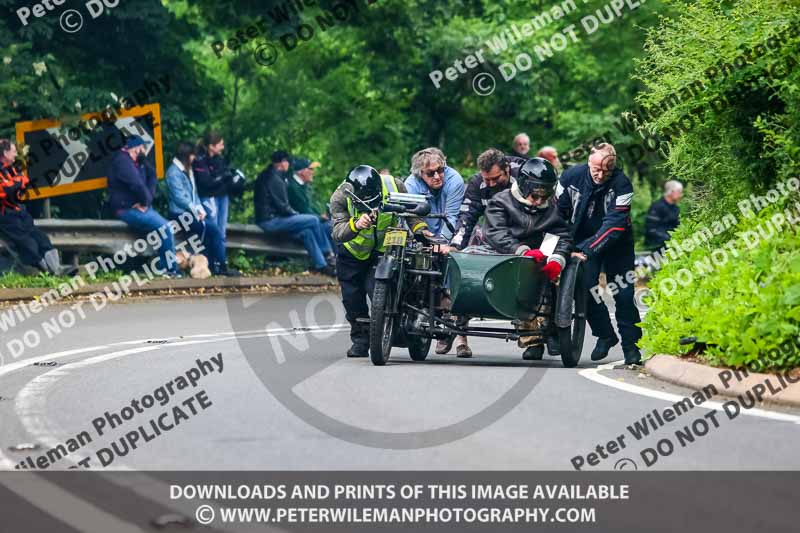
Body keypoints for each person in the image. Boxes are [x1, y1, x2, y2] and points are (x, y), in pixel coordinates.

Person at [330, 165, 430, 358]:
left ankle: (390, 330)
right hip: (352, 253)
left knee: (376, 288)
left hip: (383, 250)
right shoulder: (340, 196)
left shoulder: (395, 185)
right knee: (352, 299)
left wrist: (420, 229)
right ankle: (360, 340)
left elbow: (412, 211)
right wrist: (356, 224)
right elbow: (337, 232)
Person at [556, 143, 642, 365]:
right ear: (589, 162)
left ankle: (632, 349)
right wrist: (563, 244)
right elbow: (557, 213)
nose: (601, 175)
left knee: (623, 294)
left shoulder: (623, 184)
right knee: (586, 290)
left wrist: (587, 249)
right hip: (582, 242)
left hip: (616, 244)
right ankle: (605, 335)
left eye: (606, 170)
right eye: (596, 169)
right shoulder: (569, 177)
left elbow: (614, 225)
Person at [484, 157, 573, 360]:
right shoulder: (500, 201)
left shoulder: (552, 210)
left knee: (547, 277)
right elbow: (496, 233)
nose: (540, 202)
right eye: (535, 196)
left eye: (544, 197)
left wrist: (556, 259)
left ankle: (550, 329)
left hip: (540, 255)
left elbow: (563, 236)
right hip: (505, 256)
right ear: (524, 187)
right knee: (523, 276)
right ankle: (531, 338)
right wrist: (521, 250)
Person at [108, 135, 180, 277]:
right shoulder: (122, 161)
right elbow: (137, 185)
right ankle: (168, 268)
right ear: (135, 147)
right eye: (142, 146)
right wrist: (145, 202)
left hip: (140, 206)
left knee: (164, 228)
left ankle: (161, 266)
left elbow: (152, 176)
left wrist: (146, 202)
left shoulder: (138, 161)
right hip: (125, 209)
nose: (144, 149)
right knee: (165, 227)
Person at [255, 150, 335, 276]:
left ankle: (323, 266)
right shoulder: (274, 178)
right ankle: (328, 254)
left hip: (273, 219)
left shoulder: (271, 175)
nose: (289, 165)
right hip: (271, 221)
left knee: (306, 232)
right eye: (287, 162)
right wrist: (296, 215)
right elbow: (283, 207)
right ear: (282, 163)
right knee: (313, 220)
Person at [166, 142, 239, 276]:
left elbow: (194, 194)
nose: (194, 158)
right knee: (212, 231)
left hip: (191, 212)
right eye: (193, 155)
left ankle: (213, 265)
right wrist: (195, 211)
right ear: (187, 156)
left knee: (212, 231)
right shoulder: (173, 172)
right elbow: (179, 198)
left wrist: (200, 208)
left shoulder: (188, 170)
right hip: (179, 214)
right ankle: (220, 266)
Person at [0, 139, 72, 274]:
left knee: (42, 239)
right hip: (6, 216)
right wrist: (17, 182)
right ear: (5, 153)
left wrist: (17, 182)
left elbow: (23, 184)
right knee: (29, 244)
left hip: (19, 213)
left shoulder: (12, 169)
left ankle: (57, 269)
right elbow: (6, 189)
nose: (16, 155)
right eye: (13, 151)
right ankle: (46, 271)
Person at [451, 148, 527, 250]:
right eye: (487, 179)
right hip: (496, 237)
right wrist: (456, 246)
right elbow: (467, 216)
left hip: (526, 234)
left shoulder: (524, 174)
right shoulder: (477, 183)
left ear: (507, 169)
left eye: (496, 178)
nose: (491, 184)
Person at [403, 147, 465, 240]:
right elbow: (411, 218)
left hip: (450, 234)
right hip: (423, 233)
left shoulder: (455, 180)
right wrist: (421, 233)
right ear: (419, 174)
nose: (437, 177)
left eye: (440, 170)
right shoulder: (411, 185)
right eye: (430, 173)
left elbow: (451, 216)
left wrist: (441, 244)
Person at [286, 157, 335, 251]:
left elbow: (310, 207)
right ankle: (335, 261)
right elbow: (303, 210)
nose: (313, 172)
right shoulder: (293, 188)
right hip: (303, 227)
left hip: (312, 223)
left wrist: (323, 214)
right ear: (301, 172)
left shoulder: (303, 186)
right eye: (310, 169)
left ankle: (338, 261)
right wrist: (321, 217)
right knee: (332, 228)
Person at [193, 131, 231, 240]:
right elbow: (206, 182)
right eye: (220, 144)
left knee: (221, 229)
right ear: (211, 146)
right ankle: (209, 255)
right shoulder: (199, 160)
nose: (222, 147)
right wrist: (222, 178)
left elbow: (224, 174)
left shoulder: (219, 159)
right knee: (213, 228)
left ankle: (220, 255)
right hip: (209, 197)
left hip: (222, 195)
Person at [645, 180, 683, 251]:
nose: (681, 195)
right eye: (679, 192)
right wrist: (670, 238)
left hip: (671, 243)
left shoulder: (676, 208)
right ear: (671, 192)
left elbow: (677, 226)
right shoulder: (656, 207)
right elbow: (651, 230)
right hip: (656, 245)